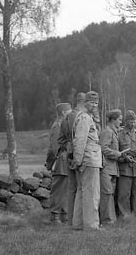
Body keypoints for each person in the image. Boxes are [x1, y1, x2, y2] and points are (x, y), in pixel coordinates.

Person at [70, 91, 103, 230]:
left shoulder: (86, 117)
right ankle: (91, 225)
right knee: (91, 193)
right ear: (85, 102)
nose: (94, 105)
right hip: (90, 159)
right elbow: (80, 140)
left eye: (96, 103)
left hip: (87, 159)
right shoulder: (84, 118)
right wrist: (77, 160)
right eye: (91, 102)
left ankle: (78, 224)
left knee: (82, 192)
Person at [60, 92, 86, 222]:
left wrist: (68, 148)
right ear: (84, 102)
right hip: (81, 155)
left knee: (72, 189)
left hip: (69, 154)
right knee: (82, 188)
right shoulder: (82, 117)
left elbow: (61, 140)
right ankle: (79, 220)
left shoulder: (66, 117)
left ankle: (70, 219)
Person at [46, 102, 72, 224]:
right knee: (58, 189)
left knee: (65, 189)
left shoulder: (64, 125)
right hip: (60, 161)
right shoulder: (57, 126)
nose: (71, 113)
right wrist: (51, 163)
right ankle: (55, 216)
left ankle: (64, 215)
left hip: (65, 160)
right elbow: (54, 148)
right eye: (69, 111)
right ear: (63, 112)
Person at [99, 109, 124, 225]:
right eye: (119, 120)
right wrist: (117, 154)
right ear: (113, 120)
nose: (121, 122)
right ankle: (107, 220)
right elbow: (103, 149)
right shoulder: (107, 132)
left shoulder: (113, 132)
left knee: (110, 194)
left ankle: (111, 219)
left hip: (112, 168)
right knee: (107, 194)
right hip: (106, 168)